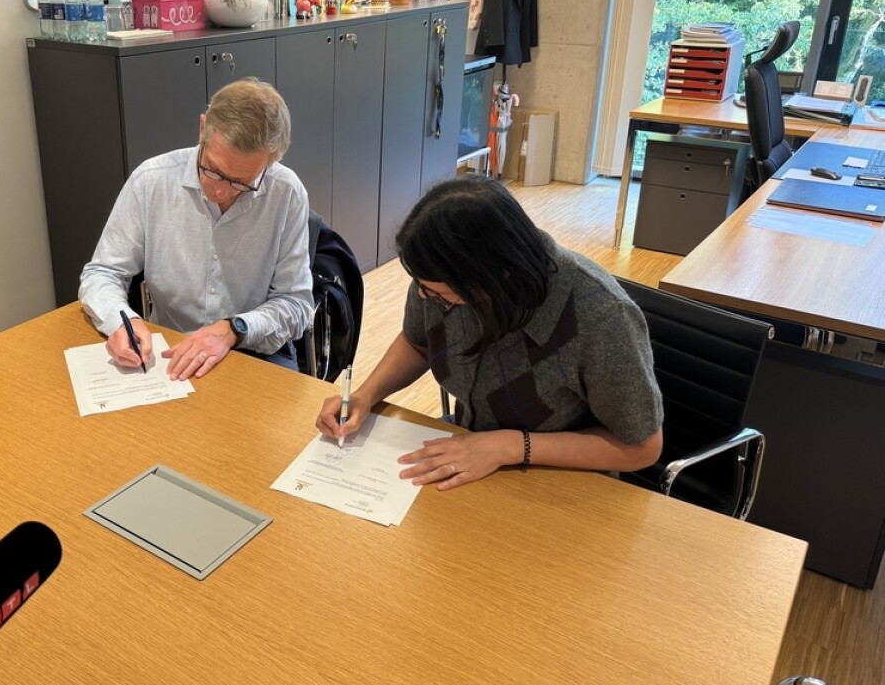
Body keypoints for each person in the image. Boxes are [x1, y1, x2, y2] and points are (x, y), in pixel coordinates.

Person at [317, 176, 663, 490]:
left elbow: (641, 447)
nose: (425, 297)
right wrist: (365, 395)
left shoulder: (600, 316)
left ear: (496, 275)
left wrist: (510, 445)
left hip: (563, 481)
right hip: (472, 447)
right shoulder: (437, 280)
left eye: (441, 295)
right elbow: (418, 342)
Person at [79, 78, 312, 380]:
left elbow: (296, 304)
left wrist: (233, 329)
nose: (220, 193)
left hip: (255, 348)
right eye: (213, 170)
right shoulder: (151, 182)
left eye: (242, 183)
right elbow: (103, 273)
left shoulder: (286, 192)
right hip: (171, 346)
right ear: (202, 129)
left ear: (270, 163)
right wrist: (122, 322)